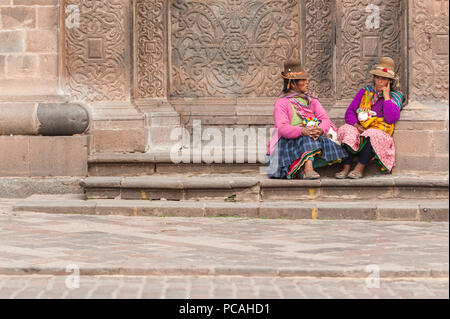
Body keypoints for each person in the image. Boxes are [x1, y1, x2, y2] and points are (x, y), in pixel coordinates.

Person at [266, 60, 348, 179]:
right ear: (293, 84)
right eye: (303, 80)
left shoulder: (311, 100)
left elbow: (324, 118)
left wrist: (319, 130)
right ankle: (308, 169)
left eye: (306, 79)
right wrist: (303, 131)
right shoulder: (282, 102)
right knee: (306, 139)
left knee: (335, 149)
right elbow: (282, 128)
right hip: (286, 142)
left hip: (311, 137)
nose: (307, 82)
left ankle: (300, 168)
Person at [336, 57, 405, 179]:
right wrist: (357, 126)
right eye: (377, 77)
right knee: (347, 129)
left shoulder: (396, 96)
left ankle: (359, 167)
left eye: (383, 79)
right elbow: (350, 112)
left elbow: (391, 118)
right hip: (360, 127)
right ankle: (346, 167)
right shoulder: (365, 92)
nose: (379, 81)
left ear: (389, 81)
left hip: (378, 131)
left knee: (372, 134)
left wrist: (386, 96)